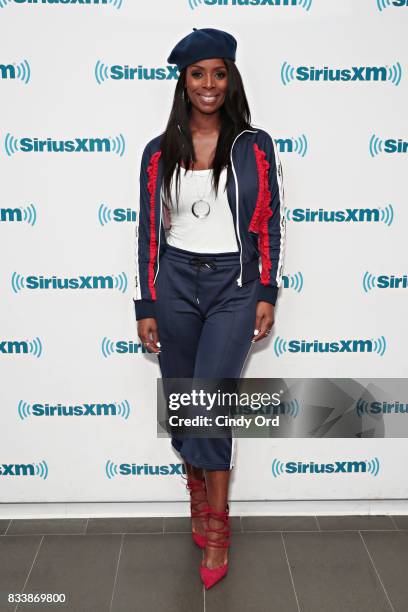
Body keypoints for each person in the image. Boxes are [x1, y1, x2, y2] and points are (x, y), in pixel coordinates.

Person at [133, 27, 286, 589]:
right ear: (184, 80)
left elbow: (268, 222)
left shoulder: (254, 145)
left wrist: (266, 292)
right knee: (182, 405)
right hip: (174, 284)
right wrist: (146, 302)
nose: (209, 84)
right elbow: (150, 231)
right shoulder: (159, 151)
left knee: (212, 404)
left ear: (231, 79)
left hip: (234, 286)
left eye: (218, 73)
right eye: (198, 74)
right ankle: (196, 486)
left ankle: (218, 526)